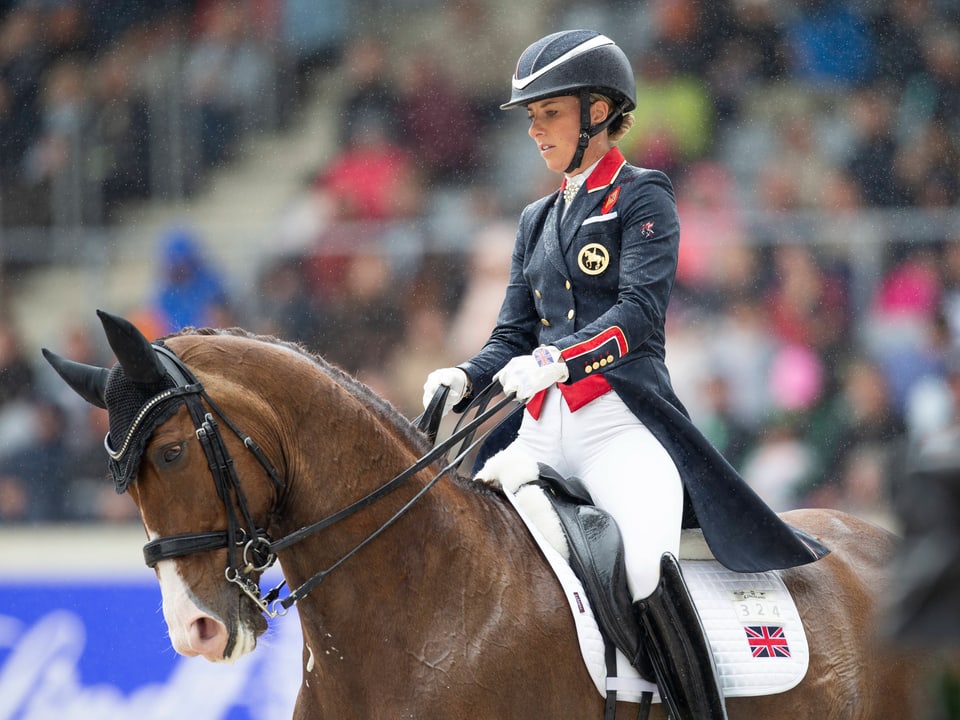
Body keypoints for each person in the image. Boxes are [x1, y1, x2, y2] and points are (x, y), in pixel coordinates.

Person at [422, 30, 828, 719]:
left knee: (644, 566)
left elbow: (638, 314)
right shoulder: (536, 219)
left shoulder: (643, 198)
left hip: (619, 425)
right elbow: (513, 335)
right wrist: (465, 375)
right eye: (532, 117)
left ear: (599, 112)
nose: (535, 130)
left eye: (549, 113)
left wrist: (558, 360)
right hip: (541, 436)